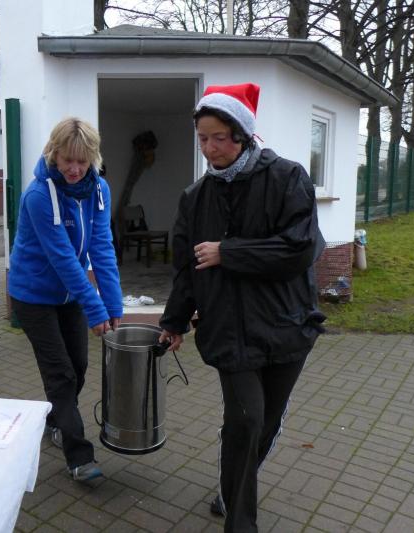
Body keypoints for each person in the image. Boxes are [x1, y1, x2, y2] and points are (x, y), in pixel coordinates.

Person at [158, 83, 326, 532]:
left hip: (287, 325)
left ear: (243, 134)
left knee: (264, 423)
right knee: (246, 419)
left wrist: (229, 252)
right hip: (229, 330)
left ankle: (231, 487)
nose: (210, 148)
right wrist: (174, 322)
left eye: (219, 138)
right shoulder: (195, 198)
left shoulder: (287, 178)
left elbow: (300, 248)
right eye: (203, 138)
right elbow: (186, 269)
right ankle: (240, 522)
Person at [8, 118, 123, 482]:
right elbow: (63, 260)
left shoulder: (99, 189)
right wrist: (95, 309)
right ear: (54, 154)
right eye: (67, 160)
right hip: (33, 296)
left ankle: (56, 419)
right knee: (60, 375)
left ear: (93, 159)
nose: (74, 169)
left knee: (79, 366)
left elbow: (102, 247)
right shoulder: (39, 195)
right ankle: (79, 456)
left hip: (70, 294)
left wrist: (114, 306)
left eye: (82, 161)